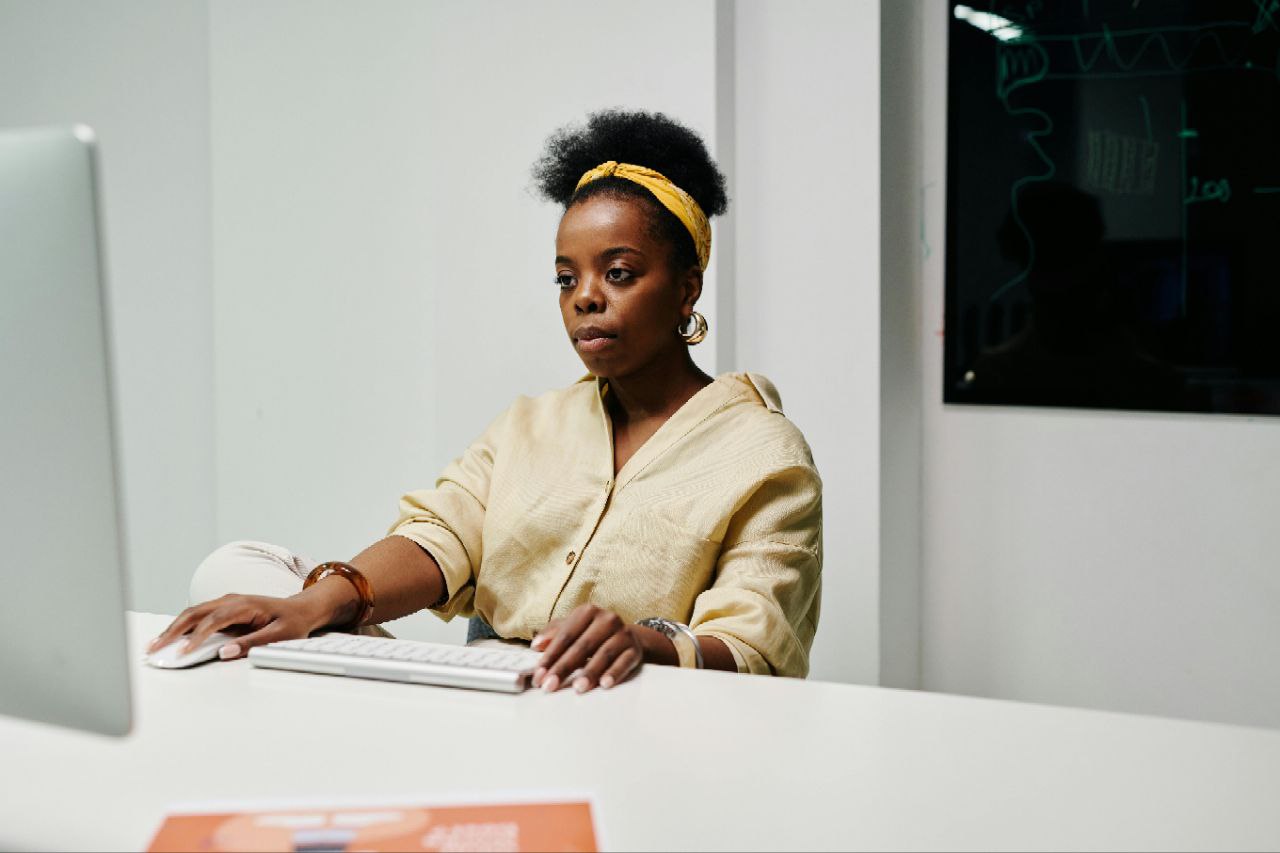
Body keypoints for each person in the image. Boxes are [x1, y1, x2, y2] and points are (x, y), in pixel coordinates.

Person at [150, 110, 823, 692]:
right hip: (483, 694)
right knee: (230, 570)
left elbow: (754, 641)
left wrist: (643, 643)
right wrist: (318, 604)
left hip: (623, 706)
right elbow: (440, 533)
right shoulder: (531, 424)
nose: (585, 296)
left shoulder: (763, 454)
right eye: (567, 278)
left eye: (618, 273)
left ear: (686, 288)